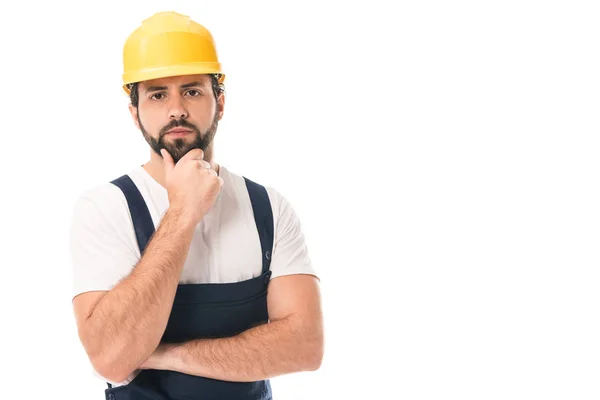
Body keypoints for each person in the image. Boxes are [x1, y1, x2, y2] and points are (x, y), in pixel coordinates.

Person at [69, 11, 324, 400]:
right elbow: (112, 358)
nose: (177, 110)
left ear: (220, 102)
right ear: (134, 111)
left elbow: (305, 347)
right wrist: (182, 213)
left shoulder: (269, 209)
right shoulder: (104, 208)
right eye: (157, 94)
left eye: (192, 91)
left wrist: (168, 355)